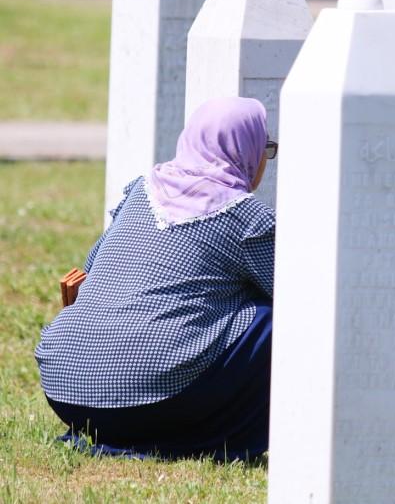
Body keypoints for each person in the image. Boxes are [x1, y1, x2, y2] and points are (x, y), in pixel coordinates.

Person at [35, 97, 277, 461]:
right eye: (266, 149)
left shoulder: (141, 189)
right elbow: (296, 292)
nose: (265, 161)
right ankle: (216, 439)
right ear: (248, 150)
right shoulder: (247, 218)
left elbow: (90, 269)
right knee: (274, 321)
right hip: (146, 402)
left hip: (65, 388)